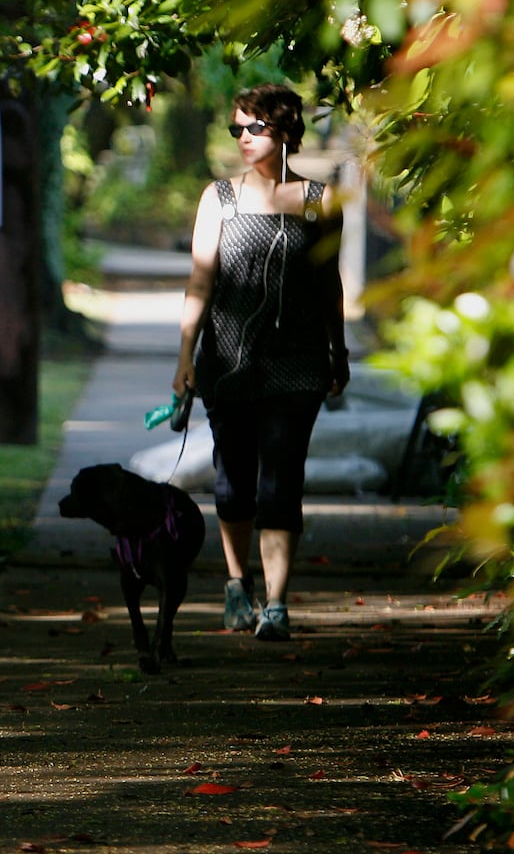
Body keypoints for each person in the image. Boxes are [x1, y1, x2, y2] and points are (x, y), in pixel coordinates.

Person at [172, 83, 349, 643]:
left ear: (285, 132)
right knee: (233, 484)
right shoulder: (218, 198)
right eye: (237, 129)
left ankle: (275, 602)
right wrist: (185, 356)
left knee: (281, 481)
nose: (244, 139)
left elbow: (329, 283)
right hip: (227, 360)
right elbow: (200, 281)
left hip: (297, 364)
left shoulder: (320, 200)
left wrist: (337, 351)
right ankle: (235, 583)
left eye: (255, 128)